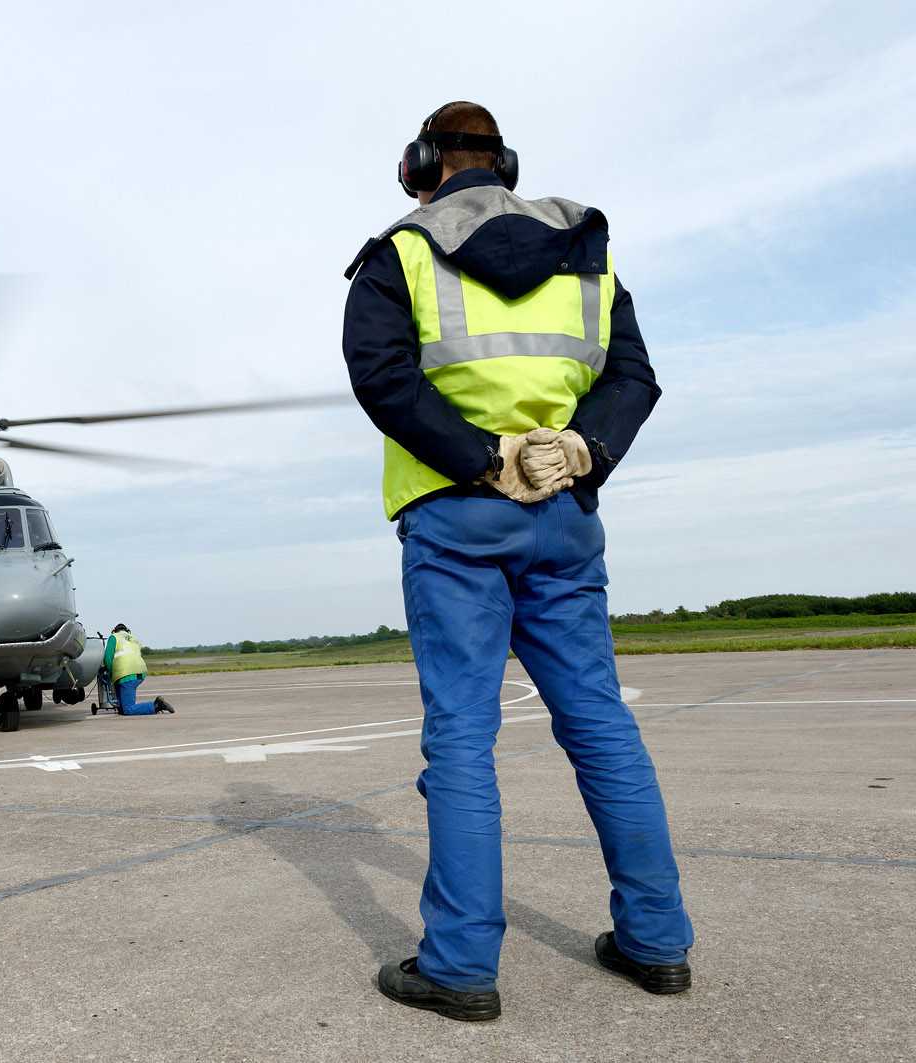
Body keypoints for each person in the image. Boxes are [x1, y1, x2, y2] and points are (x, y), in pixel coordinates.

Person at [341, 101, 693, 1021]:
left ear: (423, 162)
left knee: (463, 736)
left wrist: (480, 458)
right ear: (506, 163)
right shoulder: (586, 247)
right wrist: (579, 449)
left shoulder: (402, 252)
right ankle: (657, 942)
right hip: (566, 518)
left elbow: (384, 378)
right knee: (601, 725)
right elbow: (634, 375)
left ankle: (460, 965)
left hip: (457, 517)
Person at [102, 624, 174, 715]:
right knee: (118, 685)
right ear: (126, 631)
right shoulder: (135, 639)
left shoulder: (114, 637)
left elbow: (108, 658)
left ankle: (155, 705)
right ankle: (121, 708)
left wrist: (110, 671)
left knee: (128, 709)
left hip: (126, 673)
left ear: (115, 631)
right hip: (140, 672)